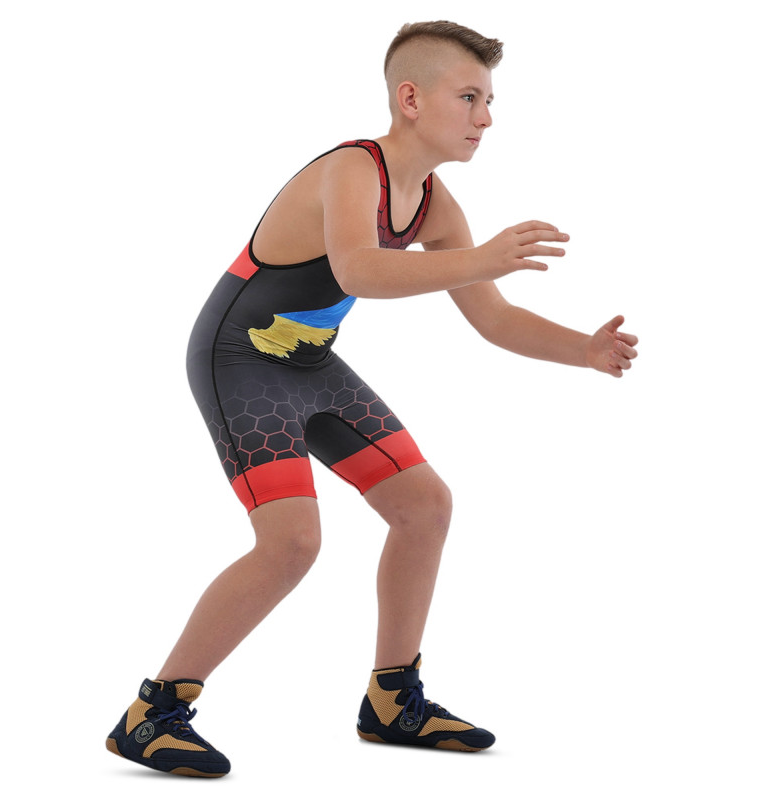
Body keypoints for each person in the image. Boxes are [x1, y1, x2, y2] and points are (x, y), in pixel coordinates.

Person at [105, 20, 638, 778]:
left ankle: (393, 701)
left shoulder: (433, 205)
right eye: (470, 98)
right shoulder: (353, 169)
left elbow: (492, 318)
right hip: (236, 360)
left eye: (490, 100)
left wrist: (582, 350)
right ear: (410, 99)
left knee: (424, 505)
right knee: (291, 544)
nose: (486, 118)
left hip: (307, 361)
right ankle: (152, 713)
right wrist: (483, 257)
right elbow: (358, 271)